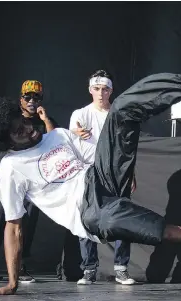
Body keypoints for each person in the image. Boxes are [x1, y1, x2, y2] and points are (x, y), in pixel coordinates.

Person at [0, 28, 181, 295]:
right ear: (7, 144)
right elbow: (13, 227)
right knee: (112, 220)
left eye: (24, 124)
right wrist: (12, 282)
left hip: (98, 176)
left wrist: (123, 164)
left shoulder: (58, 136)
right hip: (87, 210)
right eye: (19, 133)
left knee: (120, 110)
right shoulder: (9, 170)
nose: (28, 130)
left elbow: (96, 154)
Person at [0, 80, 57, 284]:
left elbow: (54, 142)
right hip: (4, 168)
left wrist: (45, 120)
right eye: (27, 97)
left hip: (28, 176)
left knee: (25, 220)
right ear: (20, 99)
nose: (31, 100)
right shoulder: (10, 117)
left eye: (36, 97)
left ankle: (19, 267)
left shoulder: (42, 121)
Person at [69, 69, 135, 285]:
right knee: (86, 221)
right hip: (87, 173)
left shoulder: (118, 115)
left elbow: (126, 148)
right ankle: (89, 269)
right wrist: (75, 133)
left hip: (116, 172)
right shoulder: (80, 114)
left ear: (111, 91)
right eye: (96, 89)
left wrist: (130, 173)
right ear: (90, 90)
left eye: (105, 89)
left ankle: (121, 268)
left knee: (122, 219)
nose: (100, 93)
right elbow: (69, 140)